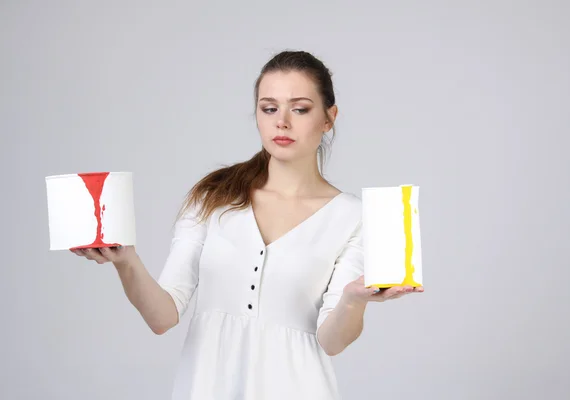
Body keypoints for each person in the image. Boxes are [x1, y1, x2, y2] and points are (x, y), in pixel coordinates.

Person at [71, 50, 424, 400]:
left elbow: (331, 342)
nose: (281, 121)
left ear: (329, 118)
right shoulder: (214, 195)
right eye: (269, 108)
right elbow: (162, 317)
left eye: (299, 109)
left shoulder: (354, 216)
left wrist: (352, 300)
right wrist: (126, 260)